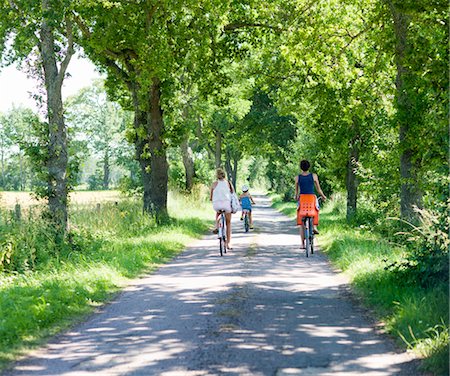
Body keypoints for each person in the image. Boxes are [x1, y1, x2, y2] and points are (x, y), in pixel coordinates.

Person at [295, 159, 327, 249]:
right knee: (316, 209)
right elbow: (318, 189)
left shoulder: (297, 177)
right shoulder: (314, 176)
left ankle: (302, 244)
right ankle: (315, 227)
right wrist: (323, 196)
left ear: (301, 167)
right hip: (311, 198)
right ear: (309, 167)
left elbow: (296, 192)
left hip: (302, 199)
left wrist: (296, 197)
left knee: (301, 222)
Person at [210, 168, 234, 249]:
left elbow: (211, 197)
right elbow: (232, 193)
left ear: (217, 175)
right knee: (228, 223)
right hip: (226, 205)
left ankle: (217, 226)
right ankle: (228, 243)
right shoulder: (228, 183)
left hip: (217, 205)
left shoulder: (214, 184)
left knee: (218, 212)